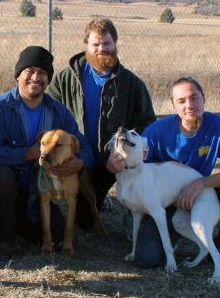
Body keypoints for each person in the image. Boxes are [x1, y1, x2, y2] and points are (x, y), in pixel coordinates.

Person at [0, 45, 92, 261]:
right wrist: (27, 154)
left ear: (48, 79)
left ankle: (2, 219)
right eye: (29, 71)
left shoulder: (58, 111)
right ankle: (2, 239)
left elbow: (84, 145)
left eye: (42, 73)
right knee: (3, 177)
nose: (35, 77)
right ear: (18, 76)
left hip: (31, 188)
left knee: (57, 236)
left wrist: (80, 163)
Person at [126, 76, 220, 270]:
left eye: (194, 98)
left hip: (199, 193)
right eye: (181, 101)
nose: (189, 105)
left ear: (203, 99)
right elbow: (134, 165)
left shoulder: (219, 125)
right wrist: (117, 163)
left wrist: (200, 184)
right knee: (146, 259)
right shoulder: (156, 131)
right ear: (173, 106)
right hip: (163, 201)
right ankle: (144, 224)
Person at [46, 18, 155, 229]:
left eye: (107, 44)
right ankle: (89, 198)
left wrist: (124, 156)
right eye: (95, 44)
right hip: (77, 159)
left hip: (111, 163)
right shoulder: (67, 78)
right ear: (86, 45)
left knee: (87, 216)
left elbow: (147, 124)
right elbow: (48, 112)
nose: (101, 49)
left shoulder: (132, 84)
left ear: (115, 44)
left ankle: (131, 208)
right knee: (84, 222)